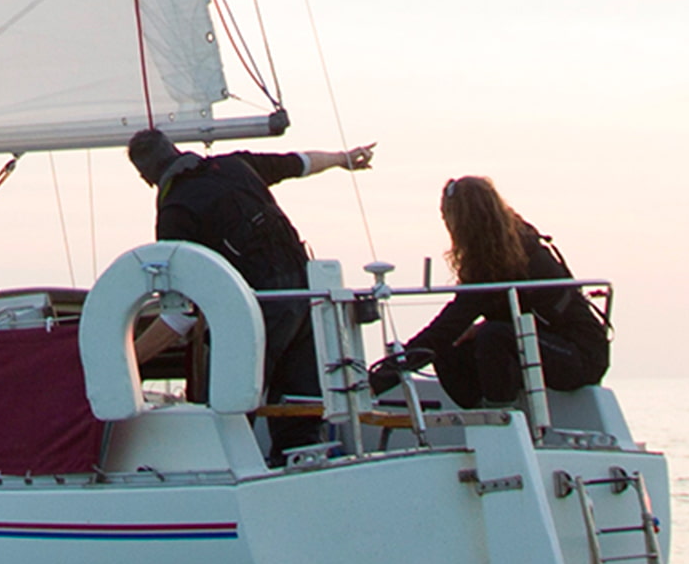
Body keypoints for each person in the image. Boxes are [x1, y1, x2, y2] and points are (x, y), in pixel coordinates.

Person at [127, 129, 375, 465]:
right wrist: (341, 159)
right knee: (299, 418)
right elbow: (299, 163)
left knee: (229, 411)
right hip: (307, 299)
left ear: (145, 178)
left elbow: (179, 315)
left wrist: (124, 361)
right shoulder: (235, 165)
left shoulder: (176, 212)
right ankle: (302, 475)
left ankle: (224, 479)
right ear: (176, 149)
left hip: (261, 311)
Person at [375, 175, 609, 408]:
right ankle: (481, 412)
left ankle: (500, 416)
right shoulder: (502, 253)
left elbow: (447, 326)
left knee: (492, 336)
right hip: (545, 345)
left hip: (581, 356)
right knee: (451, 347)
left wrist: (384, 375)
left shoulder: (507, 260)